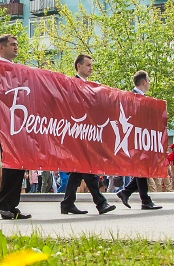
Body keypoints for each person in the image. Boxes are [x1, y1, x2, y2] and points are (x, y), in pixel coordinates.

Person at [0, 34, 30, 219]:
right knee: (10, 164)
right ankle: (2, 203)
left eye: (17, 44)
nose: (16, 47)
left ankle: (11, 204)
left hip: (19, 123)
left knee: (20, 164)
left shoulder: (18, 69)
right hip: (3, 125)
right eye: (12, 45)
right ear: (2, 48)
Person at [61, 55, 116, 215]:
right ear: (79, 66)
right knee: (88, 169)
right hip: (77, 133)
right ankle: (101, 203)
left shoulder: (93, 87)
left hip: (89, 133)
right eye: (88, 65)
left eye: (92, 65)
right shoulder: (72, 84)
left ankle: (67, 203)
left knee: (78, 171)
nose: (91, 68)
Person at [115, 70, 162, 210]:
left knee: (143, 170)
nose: (149, 83)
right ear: (143, 82)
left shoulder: (142, 98)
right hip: (135, 138)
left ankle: (126, 192)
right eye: (148, 80)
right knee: (142, 169)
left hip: (142, 138)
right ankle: (145, 201)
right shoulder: (132, 97)